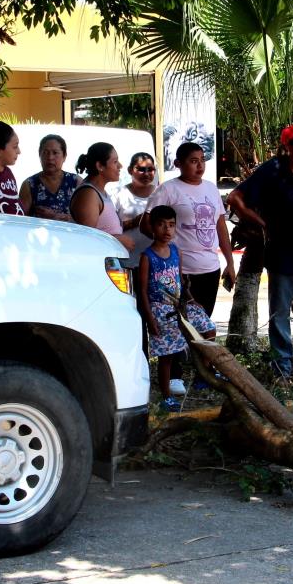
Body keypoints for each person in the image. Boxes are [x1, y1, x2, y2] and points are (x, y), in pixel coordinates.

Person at [227, 124, 293, 383]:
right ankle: (281, 370)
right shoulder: (272, 170)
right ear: (288, 147)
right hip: (282, 254)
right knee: (280, 312)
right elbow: (235, 198)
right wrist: (260, 223)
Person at [138, 205, 217, 412]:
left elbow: (180, 280)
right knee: (167, 356)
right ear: (153, 227)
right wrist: (149, 318)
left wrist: (191, 300)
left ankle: (204, 375)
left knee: (209, 329)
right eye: (162, 225)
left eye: (171, 225)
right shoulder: (147, 257)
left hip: (180, 305)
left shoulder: (175, 251)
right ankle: (166, 396)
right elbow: (143, 291)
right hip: (160, 310)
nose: (167, 230)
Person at [143, 142, 236, 317]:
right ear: (178, 164)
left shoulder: (211, 188)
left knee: (204, 322)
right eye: (193, 161)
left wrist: (230, 263)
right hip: (181, 271)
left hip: (211, 269)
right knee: (183, 325)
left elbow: (220, 226)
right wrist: (166, 251)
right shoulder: (168, 189)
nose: (200, 165)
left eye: (202, 160)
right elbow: (146, 224)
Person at [70, 142, 135, 251]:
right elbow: (86, 239)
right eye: (115, 162)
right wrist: (118, 240)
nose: (120, 166)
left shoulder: (99, 191)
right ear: (100, 166)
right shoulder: (88, 194)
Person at [113, 152, 158, 269]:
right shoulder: (119, 195)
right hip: (127, 262)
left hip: (156, 262)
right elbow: (108, 229)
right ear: (130, 170)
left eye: (151, 169)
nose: (147, 174)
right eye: (142, 169)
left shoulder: (162, 194)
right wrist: (135, 222)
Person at [19, 134, 77, 220]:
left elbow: (86, 219)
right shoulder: (30, 184)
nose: (50, 157)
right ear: (39, 155)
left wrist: (56, 216)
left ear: (64, 156)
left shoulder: (75, 182)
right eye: (45, 153)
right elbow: (20, 218)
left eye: (55, 153)